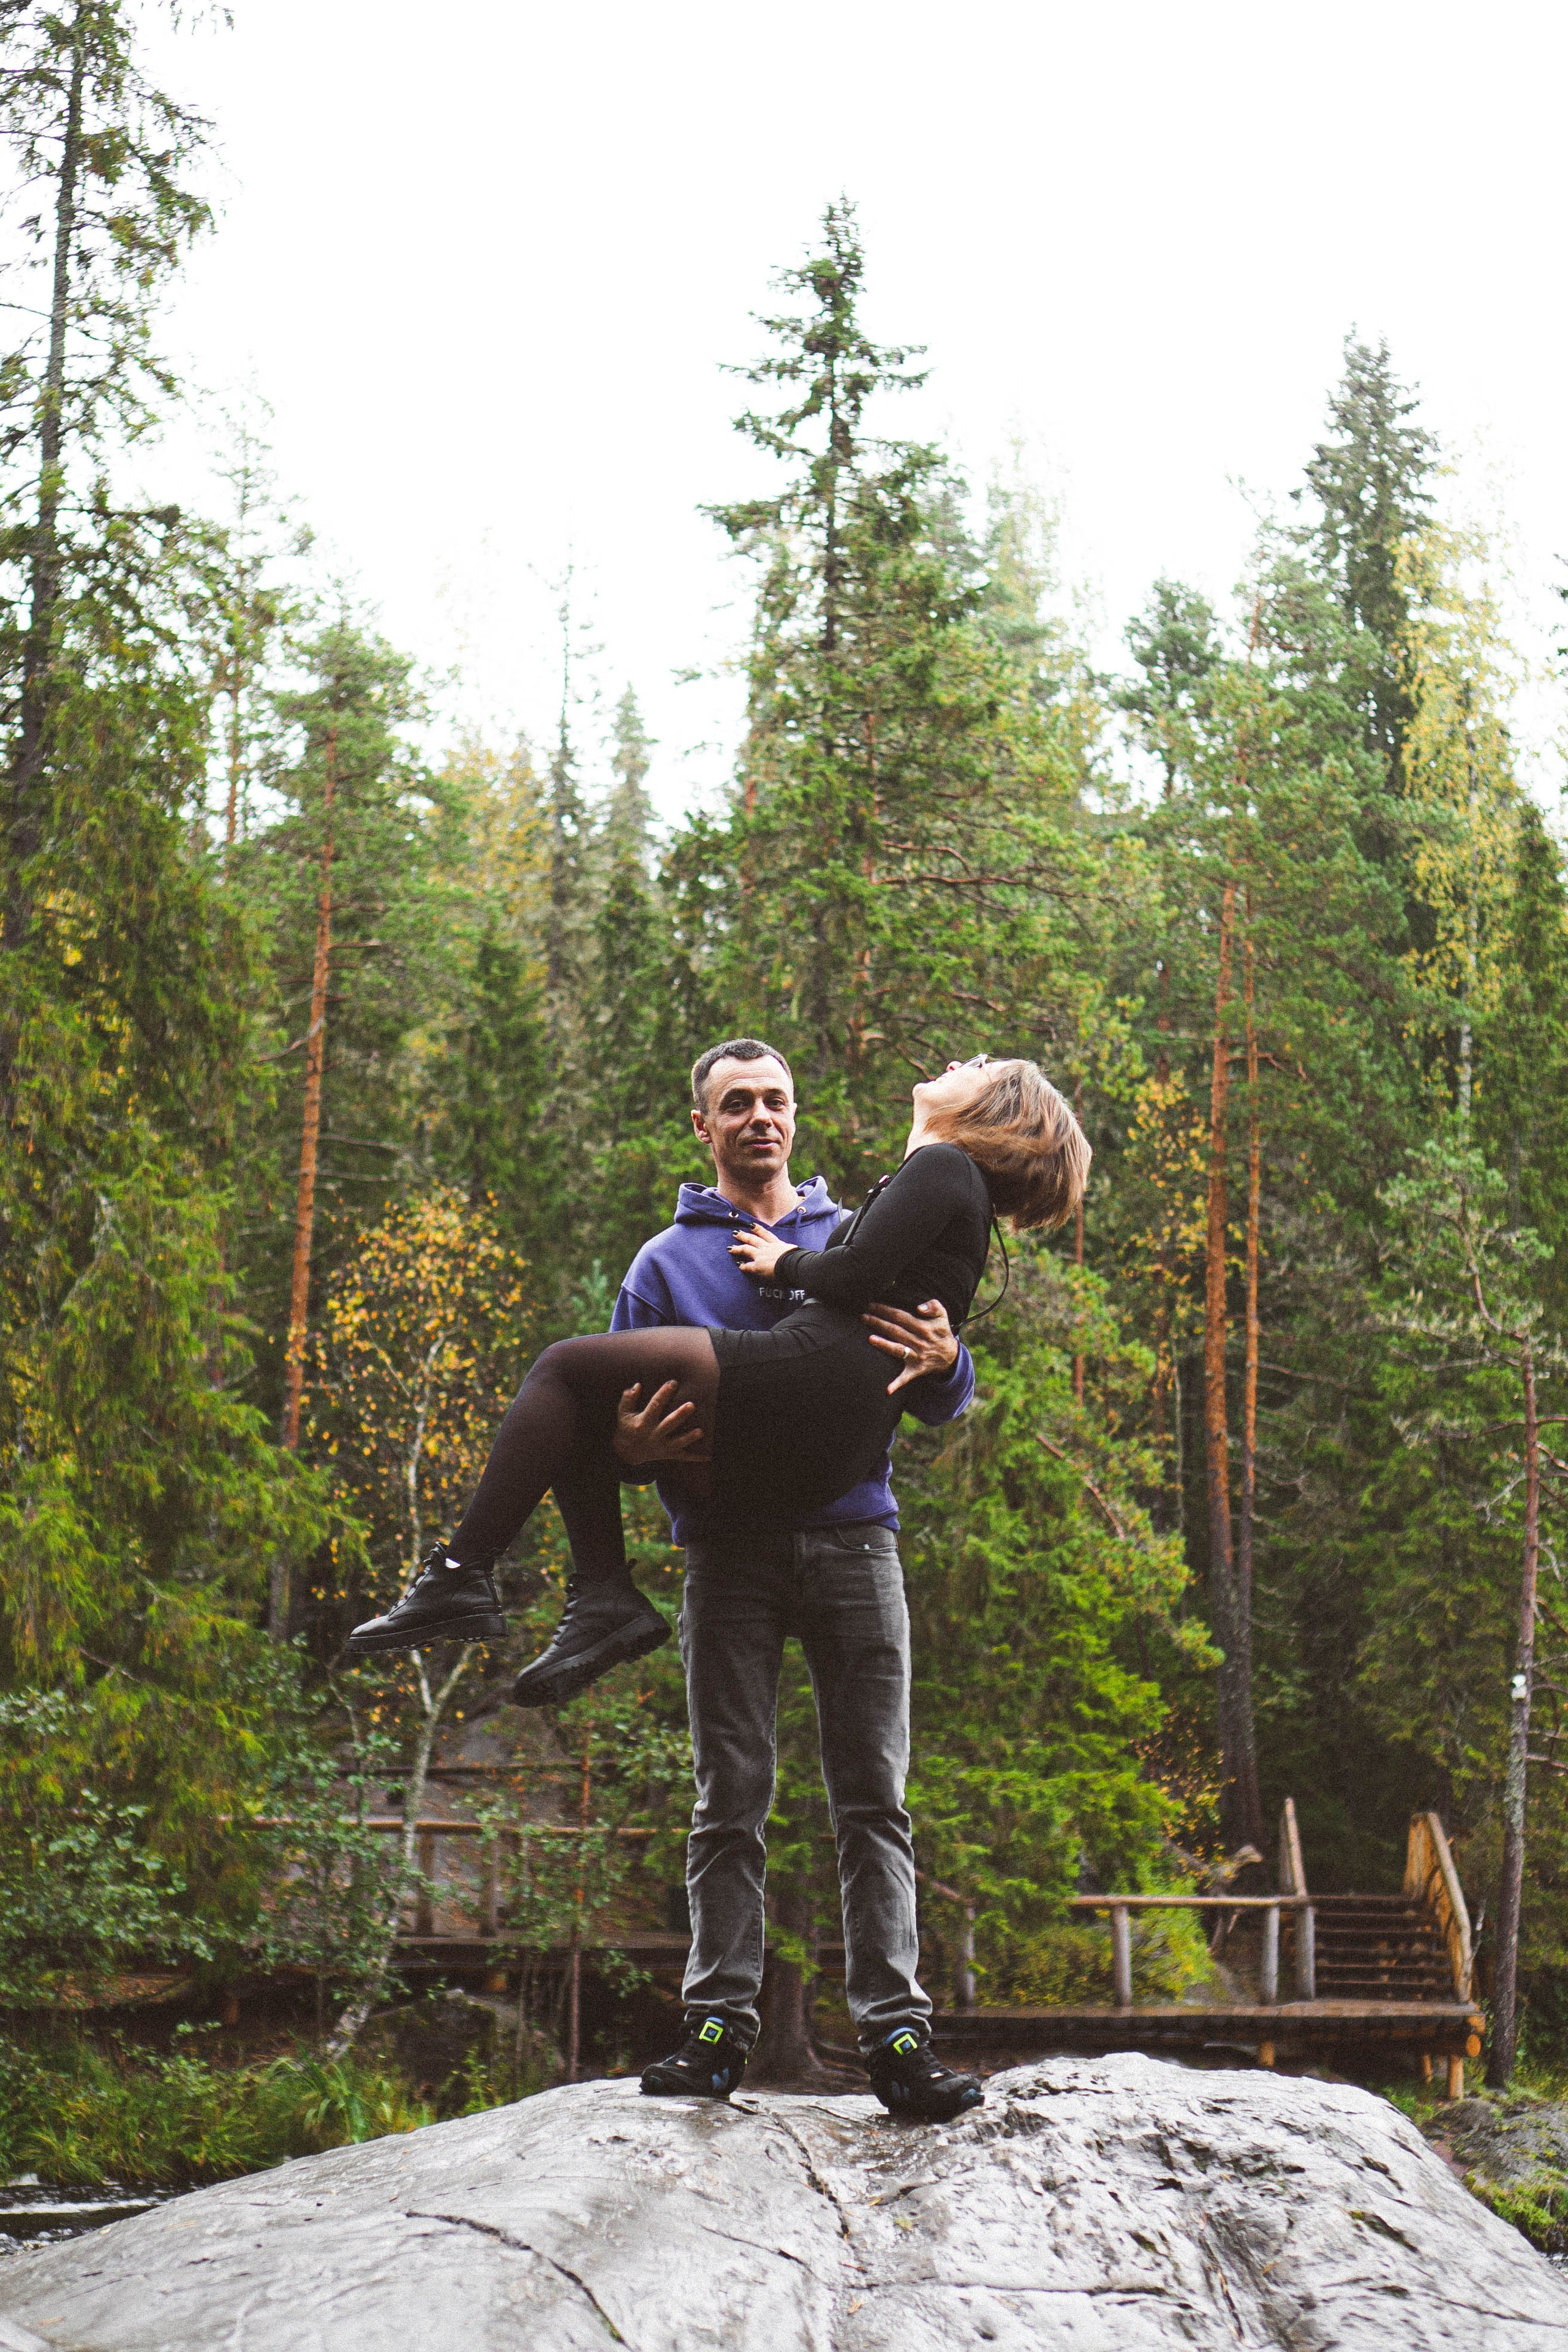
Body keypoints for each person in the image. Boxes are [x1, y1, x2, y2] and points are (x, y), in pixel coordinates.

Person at [345, 1041, 1090, 2118]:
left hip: (852, 1540)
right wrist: (639, 1456)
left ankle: (895, 2032)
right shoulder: (662, 1265)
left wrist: (949, 1361)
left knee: (874, 1797)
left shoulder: (857, 1224)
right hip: (727, 1548)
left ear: (796, 1116)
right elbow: (596, 1432)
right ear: (705, 1125)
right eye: (736, 1104)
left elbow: (928, 1382)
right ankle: (714, 2029)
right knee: (727, 1800)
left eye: (776, 1100)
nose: (759, 1118)